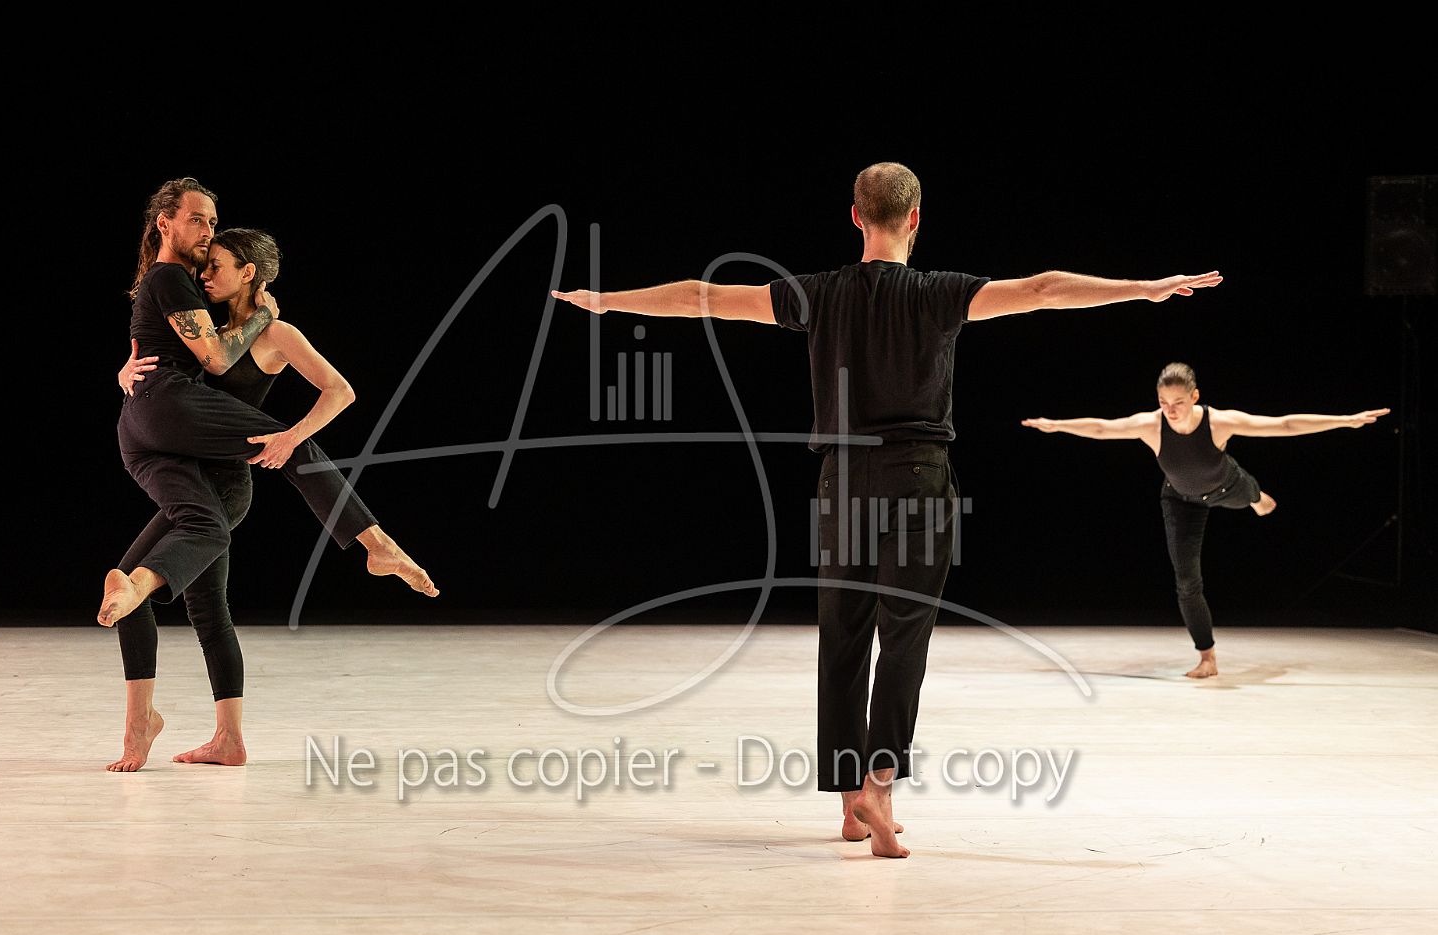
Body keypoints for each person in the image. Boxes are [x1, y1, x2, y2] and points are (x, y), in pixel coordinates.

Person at [552, 161, 1223, 857]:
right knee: (905, 636)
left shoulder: (816, 294)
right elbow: (1043, 289)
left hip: (842, 480)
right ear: (915, 219)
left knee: (843, 636)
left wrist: (608, 301)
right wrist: (1145, 288)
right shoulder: (939, 294)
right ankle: (878, 784)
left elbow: (703, 297)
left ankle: (850, 803)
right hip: (919, 476)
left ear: (855, 217)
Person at [103, 179, 438, 772]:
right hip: (192, 454)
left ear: (249, 274)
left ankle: (376, 545)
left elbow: (337, 390)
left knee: (295, 451)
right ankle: (214, 737)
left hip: (226, 477)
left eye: (219, 254)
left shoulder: (275, 331)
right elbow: (179, 349)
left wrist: (290, 433)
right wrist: (127, 374)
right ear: (165, 222)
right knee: (200, 606)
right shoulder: (199, 303)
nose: (208, 258)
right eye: (201, 223)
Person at [1022, 361, 1388, 679]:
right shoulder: (1151, 425)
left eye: (1178, 402)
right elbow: (1103, 428)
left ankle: (1258, 497)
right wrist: (1058, 425)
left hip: (1227, 487)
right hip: (1180, 501)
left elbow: (1284, 425)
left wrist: (1345, 421)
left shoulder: (1218, 422)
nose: (1170, 410)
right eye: (1163, 402)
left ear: (1195, 396)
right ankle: (1207, 657)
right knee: (1186, 584)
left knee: (1249, 493)